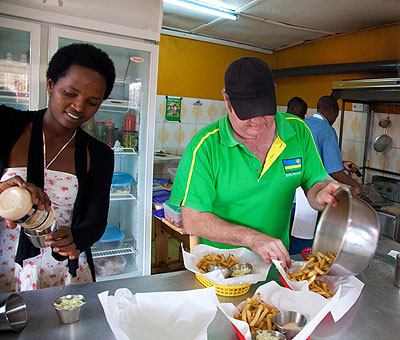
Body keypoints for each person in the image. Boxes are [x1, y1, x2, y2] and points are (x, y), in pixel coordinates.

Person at [168, 56, 340, 269]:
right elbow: (193, 219)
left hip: (277, 267)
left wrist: (320, 193)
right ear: (227, 100)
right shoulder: (205, 146)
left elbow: (315, 183)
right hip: (222, 269)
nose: (257, 121)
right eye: (247, 112)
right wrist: (251, 238)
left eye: (264, 109)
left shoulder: (298, 132)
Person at [0, 43, 116, 293]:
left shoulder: (98, 154)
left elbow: (96, 221)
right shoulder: (6, 126)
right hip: (5, 265)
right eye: (70, 93)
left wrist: (76, 238)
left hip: (60, 272)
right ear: (51, 84)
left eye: (93, 102)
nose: (79, 107)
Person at [304, 96, 363, 196]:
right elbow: (334, 172)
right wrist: (355, 184)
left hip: (293, 188)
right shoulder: (327, 130)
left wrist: (341, 163)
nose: (335, 119)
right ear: (332, 111)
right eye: (336, 115)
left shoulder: (303, 123)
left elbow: (314, 158)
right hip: (311, 191)